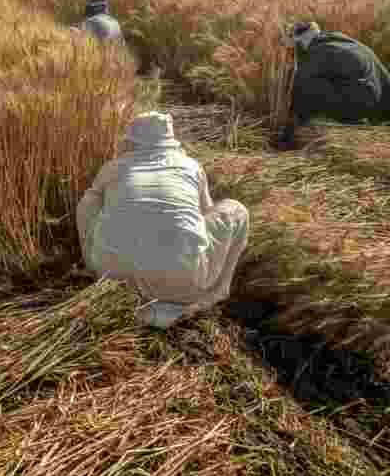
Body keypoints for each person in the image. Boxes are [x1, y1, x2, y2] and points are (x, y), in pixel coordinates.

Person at [76, 111, 250, 329]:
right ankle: (212, 295)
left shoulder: (112, 168)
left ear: (131, 140)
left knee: (90, 201)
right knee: (237, 210)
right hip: (184, 284)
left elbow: (87, 209)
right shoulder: (191, 166)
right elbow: (204, 213)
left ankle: (96, 268)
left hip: (112, 278)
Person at [276, 21, 390, 150]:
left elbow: (301, 94)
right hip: (380, 100)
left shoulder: (318, 54)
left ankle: (341, 124)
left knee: (309, 86)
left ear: (300, 44)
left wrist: (288, 132)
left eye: (291, 50)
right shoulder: (340, 39)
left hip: (363, 106)